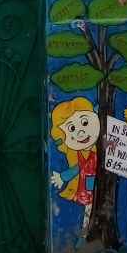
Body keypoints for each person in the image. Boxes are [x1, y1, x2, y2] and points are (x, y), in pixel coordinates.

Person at [50, 97, 100, 233]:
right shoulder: (78, 155)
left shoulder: (98, 148)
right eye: (71, 128)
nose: (81, 132)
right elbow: (76, 169)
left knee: (94, 208)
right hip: (88, 187)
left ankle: (88, 231)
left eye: (85, 122)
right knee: (89, 209)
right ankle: (86, 232)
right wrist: (63, 177)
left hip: (97, 186)